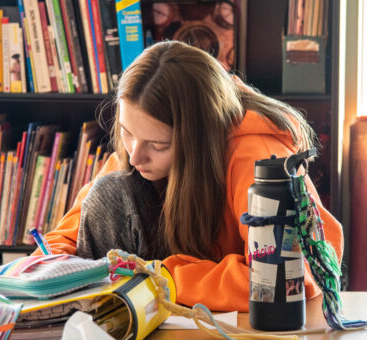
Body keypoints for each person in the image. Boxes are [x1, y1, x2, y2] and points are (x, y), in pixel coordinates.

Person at [35, 40, 343, 312]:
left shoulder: (260, 157)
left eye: (159, 145)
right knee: (107, 192)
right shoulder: (137, 151)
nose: (134, 155)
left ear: (200, 138)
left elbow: (294, 278)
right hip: (167, 292)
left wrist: (164, 277)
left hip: (225, 312)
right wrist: (42, 270)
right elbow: (68, 236)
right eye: (127, 134)